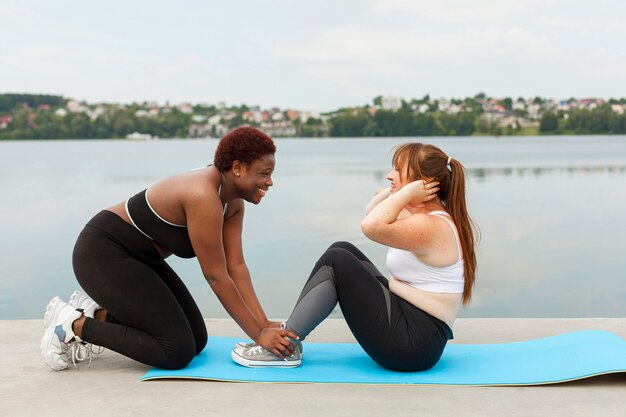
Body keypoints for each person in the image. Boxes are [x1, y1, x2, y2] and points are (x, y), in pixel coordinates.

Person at [41, 126, 298, 371]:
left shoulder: (232, 204)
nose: (270, 182)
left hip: (141, 260)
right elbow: (216, 277)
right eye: (264, 173)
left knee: (197, 340)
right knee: (175, 351)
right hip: (102, 253)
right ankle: (71, 324)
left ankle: (96, 312)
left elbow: (236, 267)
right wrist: (258, 335)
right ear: (238, 168)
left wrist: (263, 323)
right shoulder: (203, 195)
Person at [231, 142, 477, 371]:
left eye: (398, 170)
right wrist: (399, 191)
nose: (390, 175)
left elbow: (371, 226)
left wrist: (405, 194)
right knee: (343, 249)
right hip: (416, 332)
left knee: (339, 261)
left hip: (413, 344)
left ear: (423, 183)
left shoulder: (430, 226)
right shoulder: (426, 219)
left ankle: (283, 347)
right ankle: (287, 339)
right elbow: (372, 212)